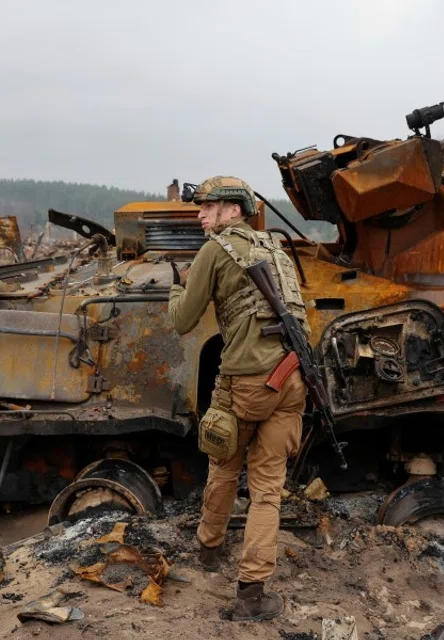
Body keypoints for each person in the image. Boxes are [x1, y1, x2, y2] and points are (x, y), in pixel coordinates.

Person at [168, 175, 310, 622]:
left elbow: (182, 321)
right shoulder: (275, 248)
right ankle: (252, 595)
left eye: (208, 207)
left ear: (234, 210)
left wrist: (178, 286)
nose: (200, 214)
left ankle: (209, 551)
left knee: (224, 467)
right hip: (290, 380)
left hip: (245, 384)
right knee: (268, 490)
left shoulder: (214, 250)